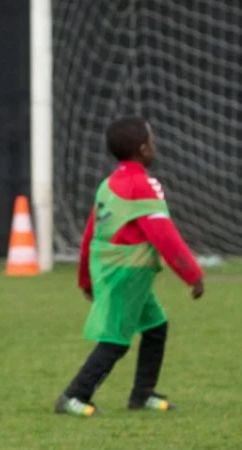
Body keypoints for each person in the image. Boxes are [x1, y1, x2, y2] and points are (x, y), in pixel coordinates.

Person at [54, 117, 206, 417]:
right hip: (129, 272)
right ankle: (74, 395)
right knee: (116, 339)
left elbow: (90, 233)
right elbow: (164, 235)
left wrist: (85, 277)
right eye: (152, 140)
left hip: (111, 269)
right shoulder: (145, 186)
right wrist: (193, 274)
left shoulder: (108, 184)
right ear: (143, 149)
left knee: (155, 327)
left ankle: (142, 394)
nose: (155, 144)